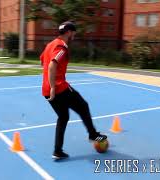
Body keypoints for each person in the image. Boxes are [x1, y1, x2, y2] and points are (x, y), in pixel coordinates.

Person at [40, 21, 107, 160]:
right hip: (58, 88)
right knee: (83, 106)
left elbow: (42, 61)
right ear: (69, 32)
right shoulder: (62, 47)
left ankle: (57, 151)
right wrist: (54, 86)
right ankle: (93, 135)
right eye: (74, 33)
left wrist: (49, 84)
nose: (74, 36)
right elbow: (52, 65)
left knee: (63, 117)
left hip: (46, 91)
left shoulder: (49, 45)